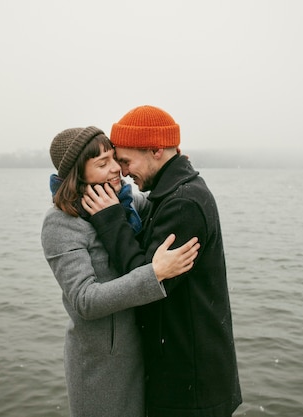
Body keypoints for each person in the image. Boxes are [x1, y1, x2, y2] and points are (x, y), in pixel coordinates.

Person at [82, 105, 242, 417]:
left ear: (156, 150)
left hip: (190, 385)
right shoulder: (173, 193)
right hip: (187, 374)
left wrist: (110, 220)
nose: (123, 171)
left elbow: (149, 282)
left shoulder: (183, 203)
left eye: (126, 161)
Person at [41, 126, 200, 417]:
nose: (117, 169)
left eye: (114, 158)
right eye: (103, 164)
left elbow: (161, 199)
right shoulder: (61, 223)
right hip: (103, 366)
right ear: (78, 174)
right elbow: (85, 300)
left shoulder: (127, 201)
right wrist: (154, 273)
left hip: (145, 350)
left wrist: (172, 168)